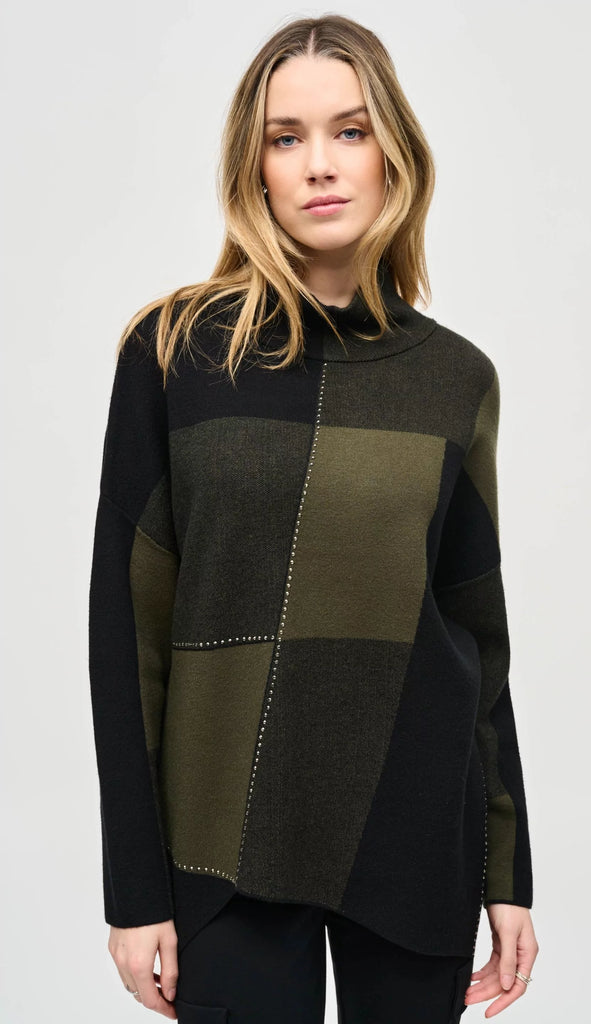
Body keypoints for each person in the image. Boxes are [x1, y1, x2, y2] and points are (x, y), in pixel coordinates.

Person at [88, 13, 539, 1024]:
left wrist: (507, 870)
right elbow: (126, 635)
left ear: (394, 153)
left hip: (413, 820)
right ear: (251, 168)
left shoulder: (455, 379)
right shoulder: (172, 353)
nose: (319, 164)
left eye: (349, 130)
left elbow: (476, 637)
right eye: (285, 138)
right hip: (225, 834)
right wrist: (134, 888)